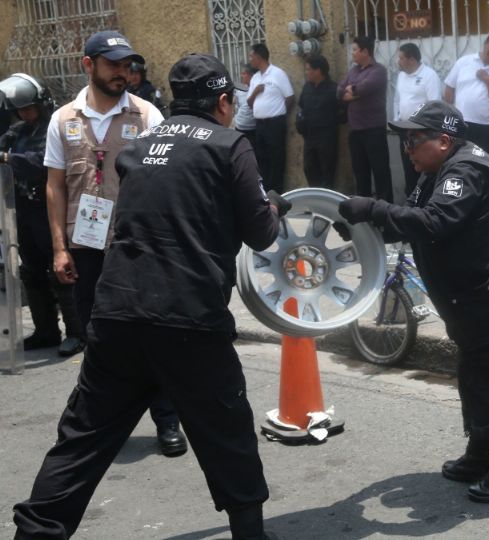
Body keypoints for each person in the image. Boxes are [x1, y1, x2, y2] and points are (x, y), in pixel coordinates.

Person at [13, 52, 285, 539]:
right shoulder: (230, 145)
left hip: (116, 311)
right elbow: (262, 234)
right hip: (189, 318)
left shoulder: (138, 148)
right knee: (227, 435)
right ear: (223, 102)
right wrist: (272, 204)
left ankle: (35, 533)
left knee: (82, 439)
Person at [338, 100, 489, 503]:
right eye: (405, 141)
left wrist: (373, 207)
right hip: (479, 296)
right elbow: (415, 219)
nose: (407, 149)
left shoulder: (466, 170)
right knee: (474, 373)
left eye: (413, 140)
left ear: (443, 140)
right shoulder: (436, 170)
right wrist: (366, 225)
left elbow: (436, 222)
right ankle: (480, 454)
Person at [43, 30, 185, 457]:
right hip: (85, 249)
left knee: (152, 338)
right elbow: (54, 186)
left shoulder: (147, 116)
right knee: (98, 341)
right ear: (88, 65)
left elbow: (166, 185)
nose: (124, 72)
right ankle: (99, 427)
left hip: (138, 249)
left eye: (128, 65)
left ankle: (168, 422)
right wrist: (59, 248)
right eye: (114, 65)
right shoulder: (63, 119)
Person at [0, 73, 84, 356]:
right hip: (22, 209)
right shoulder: (19, 132)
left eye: (28, 107)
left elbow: (39, 164)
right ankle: (46, 331)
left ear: (42, 103)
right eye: (20, 109)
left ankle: (77, 332)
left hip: (47, 208)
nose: (24, 113)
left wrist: (8, 158)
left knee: (58, 269)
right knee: (31, 271)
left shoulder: (54, 128)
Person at [338, 35, 393, 202]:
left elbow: (362, 88)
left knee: (380, 171)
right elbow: (339, 91)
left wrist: (353, 92)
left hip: (373, 130)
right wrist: (350, 92)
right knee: (360, 173)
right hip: (355, 130)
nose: (352, 53)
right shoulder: (353, 71)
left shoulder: (378, 71)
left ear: (365, 51)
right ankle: (364, 211)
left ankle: (385, 211)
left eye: (355, 50)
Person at [443, 32, 489, 161]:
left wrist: (488, 81)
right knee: (459, 160)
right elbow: (449, 88)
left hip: (487, 126)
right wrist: (450, 114)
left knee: (486, 162)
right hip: (462, 122)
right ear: (485, 44)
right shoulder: (464, 62)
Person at [394, 43, 442, 196]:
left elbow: (435, 104)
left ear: (412, 60)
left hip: (422, 132)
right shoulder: (401, 76)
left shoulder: (429, 75)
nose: (398, 61)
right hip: (404, 131)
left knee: (426, 170)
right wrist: (397, 120)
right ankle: (411, 204)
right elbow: (397, 100)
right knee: (409, 170)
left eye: (401, 58)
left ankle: (427, 203)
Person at [247, 42, 294, 193]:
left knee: (276, 160)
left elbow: (290, 97)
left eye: (251, 56)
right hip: (259, 125)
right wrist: (256, 91)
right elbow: (249, 103)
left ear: (259, 57)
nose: (250, 59)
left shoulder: (277, 74)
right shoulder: (255, 78)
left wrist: (279, 112)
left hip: (275, 124)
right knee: (262, 159)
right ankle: (265, 194)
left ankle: (277, 194)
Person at [297, 55, 339, 189]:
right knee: (309, 169)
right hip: (309, 138)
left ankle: (325, 206)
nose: (306, 72)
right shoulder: (307, 88)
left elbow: (342, 113)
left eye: (309, 69)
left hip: (327, 139)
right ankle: (315, 203)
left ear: (318, 71)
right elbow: (302, 106)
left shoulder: (333, 89)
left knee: (327, 173)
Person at [233, 64, 257, 146]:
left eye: (244, 73)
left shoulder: (257, 89)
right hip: (239, 127)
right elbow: (236, 104)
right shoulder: (240, 89)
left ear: (251, 75)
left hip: (253, 128)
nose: (241, 76)